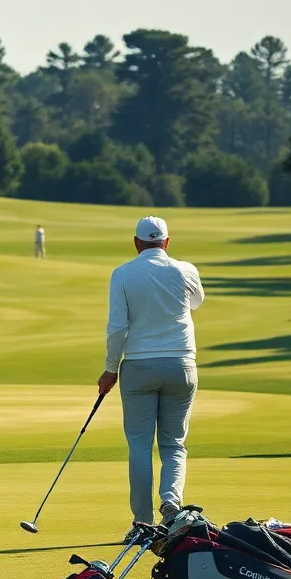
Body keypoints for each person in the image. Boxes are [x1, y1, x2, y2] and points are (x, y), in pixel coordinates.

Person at [96, 216, 204, 542]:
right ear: (167, 242)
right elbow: (197, 302)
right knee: (174, 444)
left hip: (139, 368)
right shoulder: (186, 270)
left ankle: (143, 524)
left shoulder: (122, 274)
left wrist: (111, 368)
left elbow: (117, 328)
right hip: (181, 365)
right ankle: (171, 504)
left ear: (136, 243)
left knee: (140, 447)